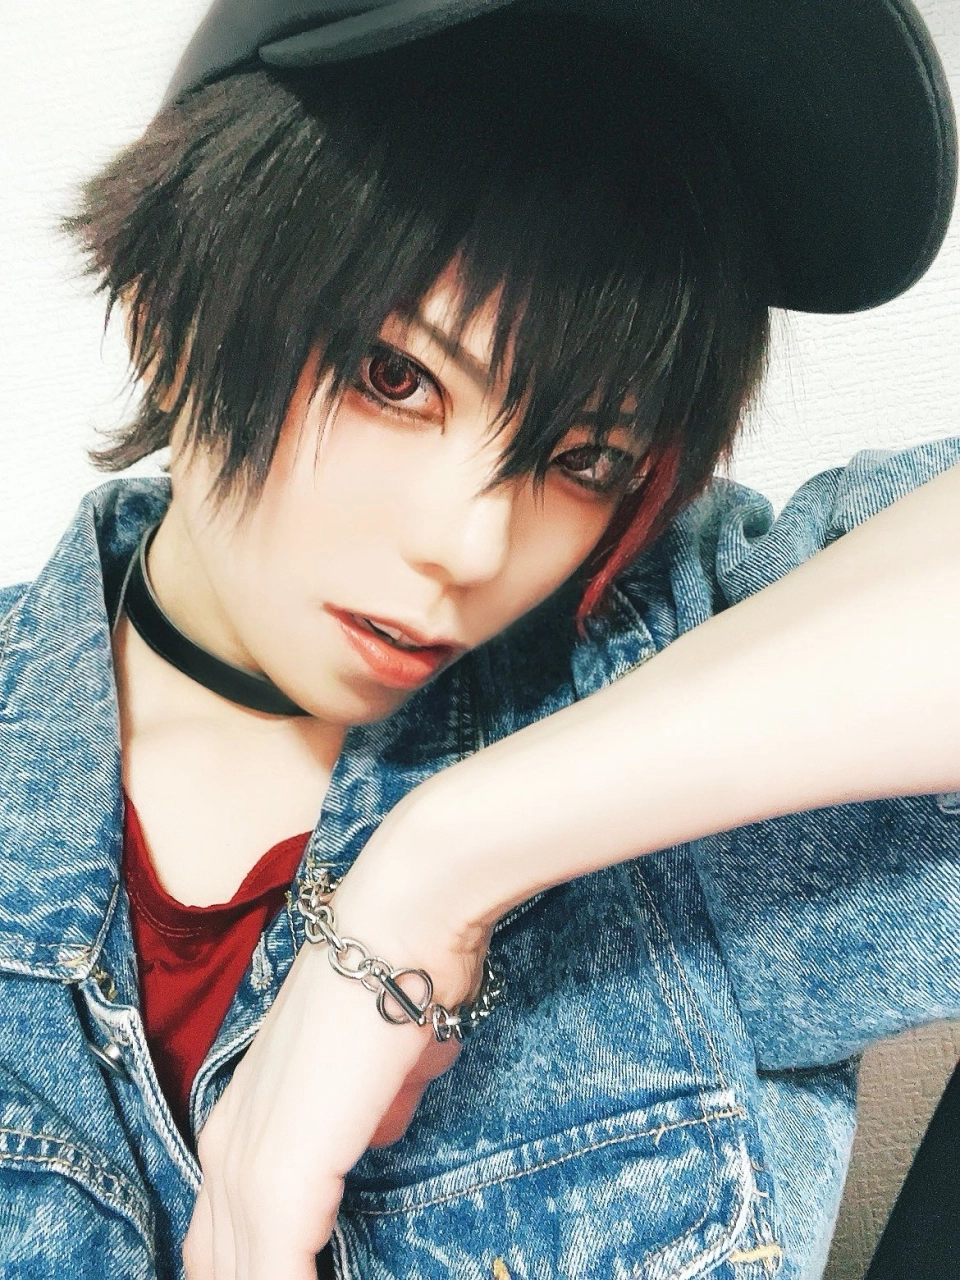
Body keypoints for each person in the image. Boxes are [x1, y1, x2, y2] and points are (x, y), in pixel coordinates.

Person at [0, 3, 957, 1279]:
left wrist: (439, 870)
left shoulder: (682, 680)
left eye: (587, 458)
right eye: (394, 377)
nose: (472, 543)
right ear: (168, 310)